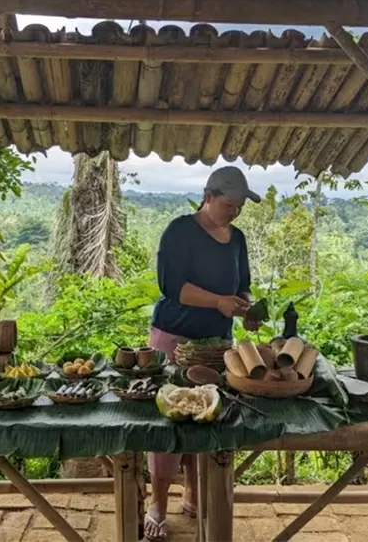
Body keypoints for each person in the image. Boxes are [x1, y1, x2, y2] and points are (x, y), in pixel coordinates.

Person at [144, 166, 261, 541]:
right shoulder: (180, 231)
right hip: (174, 338)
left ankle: (193, 491)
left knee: (207, 414)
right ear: (208, 197)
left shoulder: (238, 238)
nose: (235, 212)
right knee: (170, 420)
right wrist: (218, 302)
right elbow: (172, 287)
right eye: (229, 204)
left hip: (217, 347)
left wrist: (248, 309)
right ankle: (157, 503)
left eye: (240, 206)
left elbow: (242, 287)